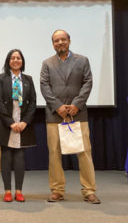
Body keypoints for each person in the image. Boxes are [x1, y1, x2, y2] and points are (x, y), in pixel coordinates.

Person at [40, 29, 101, 204]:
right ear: (53, 44)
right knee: (54, 153)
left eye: (63, 39)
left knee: (84, 153)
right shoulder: (47, 63)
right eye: (56, 40)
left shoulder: (82, 60)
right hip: (55, 115)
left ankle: (89, 190)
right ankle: (57, 190)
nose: (60, 43)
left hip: (78, 114)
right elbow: (44, 86)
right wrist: (58, 106)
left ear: (69, 41)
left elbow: (87, 83)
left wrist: (76, 104)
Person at [0, 49, 37, 202]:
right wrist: (11, 123)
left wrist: (24, 122)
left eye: (18, 58)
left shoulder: (28, 79)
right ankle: (7, 191)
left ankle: (19, 191)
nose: (16, 60)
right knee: (6, 156)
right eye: (12, 58)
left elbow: (33, 103)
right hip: (6, 123)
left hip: (23, 123)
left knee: (20, 157)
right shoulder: (1, 78)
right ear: (8, 61)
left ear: (22, 61)